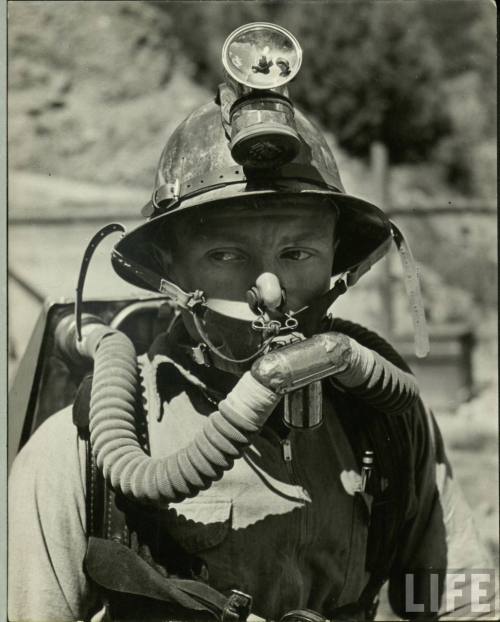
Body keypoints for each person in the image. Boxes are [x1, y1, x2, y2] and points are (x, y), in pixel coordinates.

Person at [8, 22, 495, 622]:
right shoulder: (83, 454)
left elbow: (454, 598)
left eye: (297, 253)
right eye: (226, 255)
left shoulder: (388, 425)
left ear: (338, 264)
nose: (270, 289)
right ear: (169, 268)